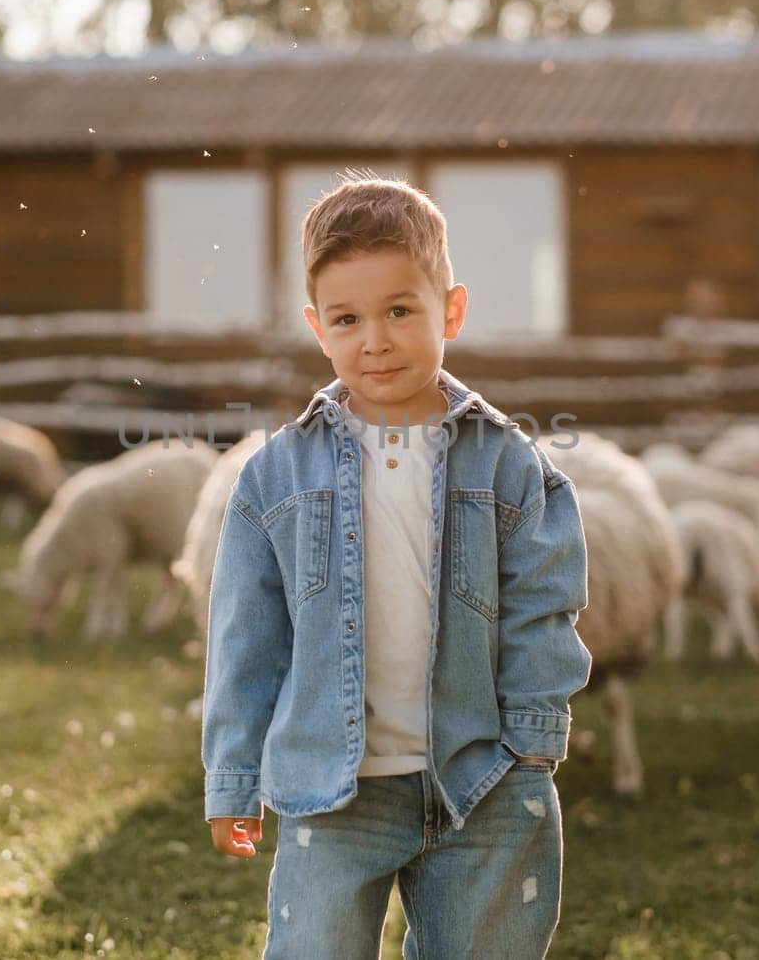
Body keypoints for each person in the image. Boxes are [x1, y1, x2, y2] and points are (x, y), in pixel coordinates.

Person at [201, 176, 593, 959]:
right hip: (334, 791)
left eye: (400, 311)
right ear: (318, 328)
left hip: (480, 776)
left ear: (451, 309)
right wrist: (232, 778)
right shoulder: (275, 478)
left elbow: (544, 605)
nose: (374, 339)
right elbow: (245, 637)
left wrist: (530, 746)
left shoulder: (510, 465)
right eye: (348, 319)